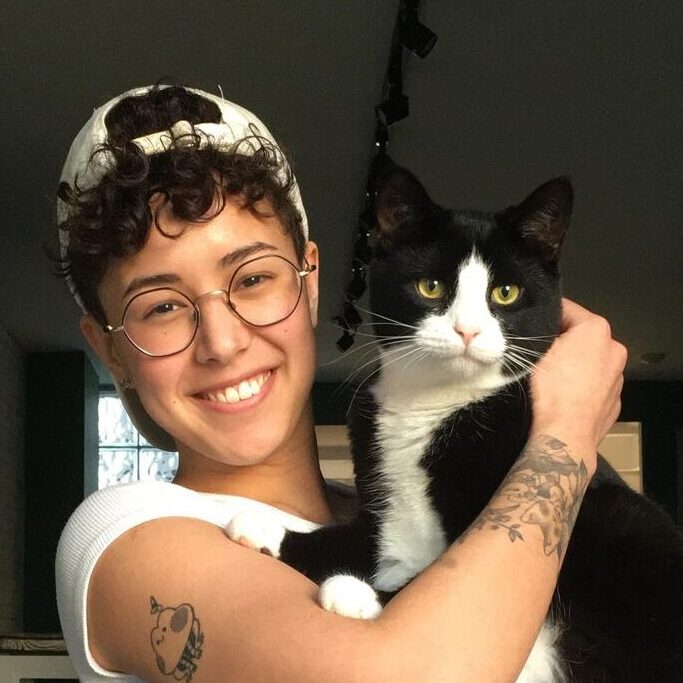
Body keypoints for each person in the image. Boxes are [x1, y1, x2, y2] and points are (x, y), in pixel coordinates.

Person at [55, 84, 626, 683]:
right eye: (162, 308)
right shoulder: (124, 537)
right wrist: (567, 432)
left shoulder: (383, 522)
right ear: (108, 349)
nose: (222, 344)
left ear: (310, 282)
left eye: (252, 279)